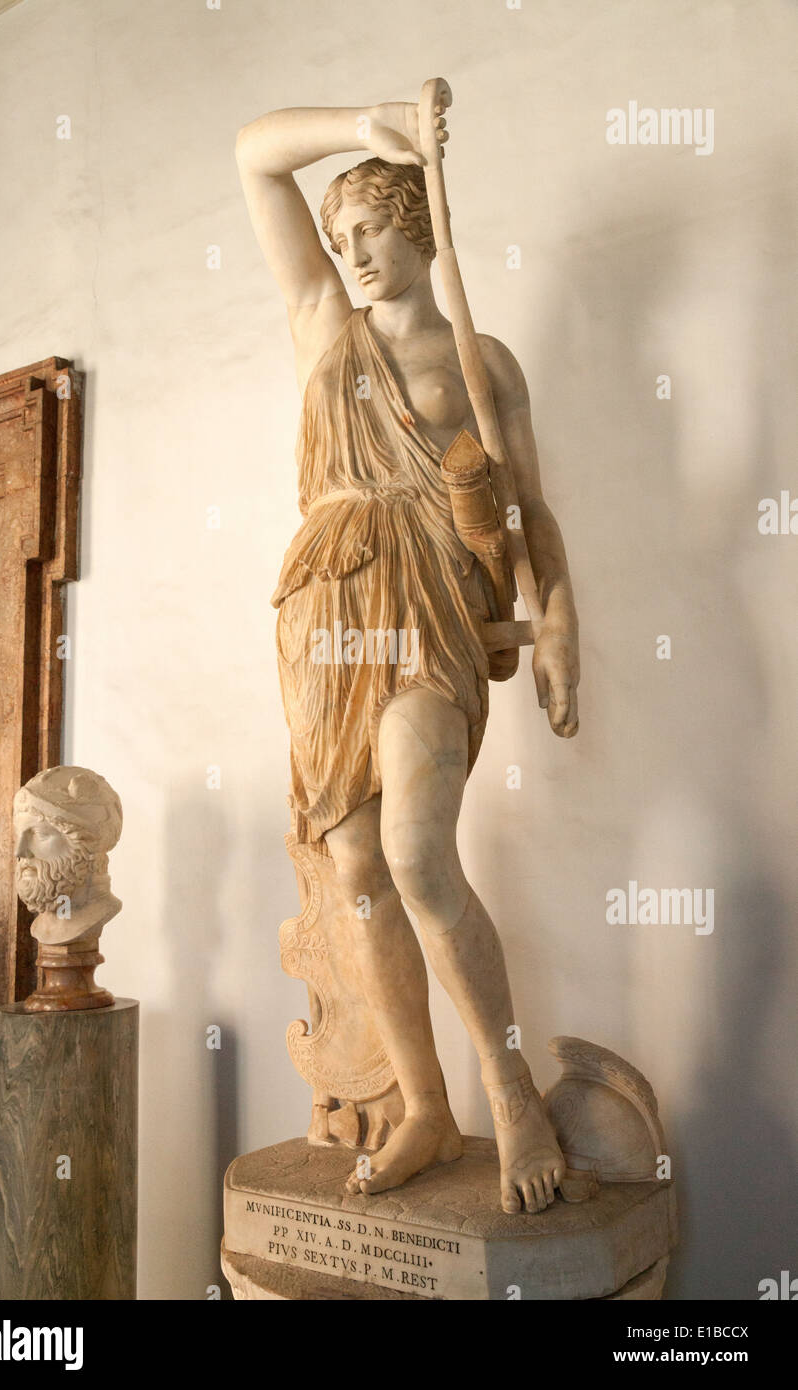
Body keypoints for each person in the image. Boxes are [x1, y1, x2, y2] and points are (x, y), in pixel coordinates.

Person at [236, 98, 580, 1215]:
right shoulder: (320, 330)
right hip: (324, 612)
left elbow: (525, 509)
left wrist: (561, 618)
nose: (350, 256)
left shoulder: (481, 361)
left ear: (416, 228)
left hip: (430, 603)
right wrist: (367, 121)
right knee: (358, 874)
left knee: (418, 852)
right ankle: (425, 1107)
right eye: (337, 243)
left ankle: (508, 1089)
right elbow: (253, 157)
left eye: (370, 232)